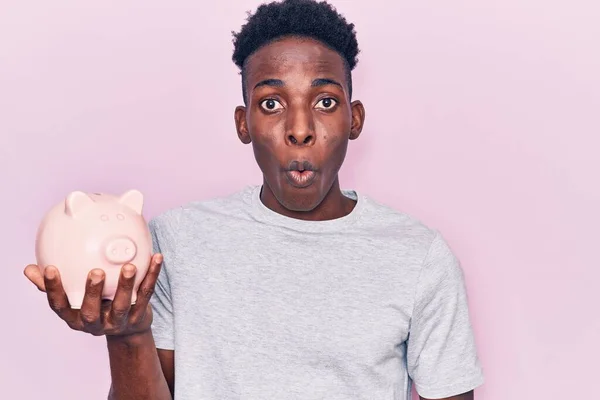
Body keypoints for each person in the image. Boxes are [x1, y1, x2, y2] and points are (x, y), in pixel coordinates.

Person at [24, 0, 485, 399]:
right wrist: (127, 334)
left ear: (354, 118)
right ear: (243, 124)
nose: (300, 129)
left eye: (324, 101)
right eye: (271, 104)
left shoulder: (419, 256)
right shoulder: (175, 242)